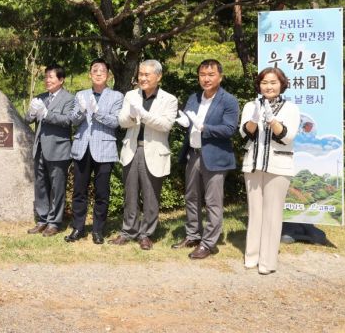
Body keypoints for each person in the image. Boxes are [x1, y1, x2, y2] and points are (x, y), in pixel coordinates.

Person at [173, 59, 239, 259]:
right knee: (191, 197)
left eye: (211, 75)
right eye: (202, 74)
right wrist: (183, 122)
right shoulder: (194, 97)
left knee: (213, 201)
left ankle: (209, 242)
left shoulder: (228, 100)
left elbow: (230, 129)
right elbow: (188, 119)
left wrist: (205, 128)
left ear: (220, 76)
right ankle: (193, 235)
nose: (206, 79)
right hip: (193, 153)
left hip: (215, 157)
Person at [111, 60, 177, 250]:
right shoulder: (131, 95)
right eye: (141, 74)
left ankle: (146, 233)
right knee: (130, 194)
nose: (143, 78)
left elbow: (166, 125)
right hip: (132, 149)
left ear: (159, 76)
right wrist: (132, 115)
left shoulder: (169, 99)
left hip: (154, 151)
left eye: (147, 75)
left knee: (151, 195)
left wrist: (143, 114)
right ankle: (128, 231)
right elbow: (122, 122)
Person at [239, 67, 300, 275]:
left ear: (282, 84)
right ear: (259, 85)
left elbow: (287, 136)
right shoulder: (250, 105)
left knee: (272, 215)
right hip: (253, 165)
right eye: (264, 82)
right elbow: (244, 133)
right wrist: (255, 119)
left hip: (279, 167)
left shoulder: (290, 108)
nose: (269, 86)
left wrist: (272, 119)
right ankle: (251, 257)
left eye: (273, 82)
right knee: (255, 212)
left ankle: (267, 262)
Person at [65, 58, 123, 244]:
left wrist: (97, 112)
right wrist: (82, 111)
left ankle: (98, 230)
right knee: (79, 191)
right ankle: (78, 228)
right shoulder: (80, 94)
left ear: (108, 75)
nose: (98, 74)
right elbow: (73, 121)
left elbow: (116, 122)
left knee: (102, 192)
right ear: (90, 74)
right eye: (95, 71)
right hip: (82, 147)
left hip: (104, 148)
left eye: (102, 71)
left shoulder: (116, 97)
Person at [24, 64, 74, 237]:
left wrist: (45, 114)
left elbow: (68, 120)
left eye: (51, 77)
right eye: (46, 77)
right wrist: (31, 113)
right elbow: (28, 119)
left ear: (61, 80)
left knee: (57, 186)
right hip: (40, 148)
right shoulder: (41, 97)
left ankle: (54, 222)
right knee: (41, 186)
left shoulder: (69, 99)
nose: (47, 80)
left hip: (59, 148)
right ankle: (42, 219)